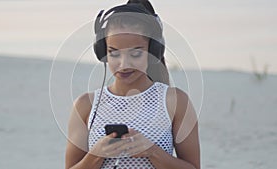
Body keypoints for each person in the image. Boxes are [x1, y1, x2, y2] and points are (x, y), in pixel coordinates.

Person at [65, 0, 200, 168]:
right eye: (114, 53)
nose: (124, 64)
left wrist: (152, 151)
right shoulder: (85, 105)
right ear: (102, 52)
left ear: (152, 51)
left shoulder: (176, 101)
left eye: (136, 54)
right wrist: (95, 155)